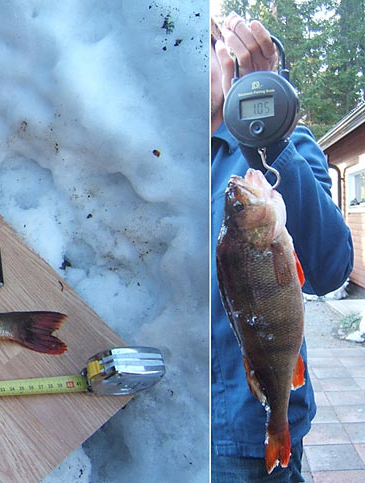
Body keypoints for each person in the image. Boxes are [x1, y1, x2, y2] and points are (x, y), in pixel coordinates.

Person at [211, 13, 354, 482]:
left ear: (227, 62)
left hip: (244, 435)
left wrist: (266, 132)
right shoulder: (153, 159)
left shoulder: (283, 139)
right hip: (165, 412)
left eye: (204, 52)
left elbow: (332, 268)